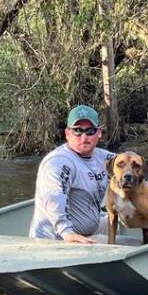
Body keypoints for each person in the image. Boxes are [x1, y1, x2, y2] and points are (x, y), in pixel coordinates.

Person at [29, 104, 116, 243]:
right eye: (77, 131)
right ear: (67, 133)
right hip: (58, 240)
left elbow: (130, 163)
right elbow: (54, 197)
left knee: (138, 222)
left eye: (90, 131)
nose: (84, 137)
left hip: (90, 227)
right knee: (136, 245)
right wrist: (67, 232)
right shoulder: (58, 162)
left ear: (99, 133)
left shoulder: (102, 158)